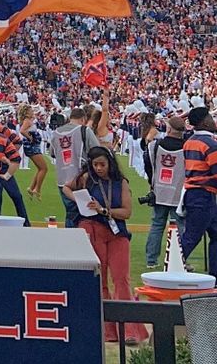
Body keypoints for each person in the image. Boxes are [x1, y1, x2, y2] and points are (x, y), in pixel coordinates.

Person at [62, 147, 147, 345]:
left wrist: (103, 210)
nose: (99, 168)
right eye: (95, 165)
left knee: (121, 279)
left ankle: (128, 330)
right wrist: (78, 200)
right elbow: (66, 187)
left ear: (110, 163)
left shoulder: (121, 183)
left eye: (102, 164)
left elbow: (127, 212)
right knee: (99, 281)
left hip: (116, 231)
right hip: (91, 228)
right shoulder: (85, 178)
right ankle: (107, 330)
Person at [144, 115, 186, 269]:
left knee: (157, 225)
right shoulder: (186, 147)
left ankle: (151, 260)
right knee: (180, 227)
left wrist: (152, 183)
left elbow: (148, 165)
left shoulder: (155, 145)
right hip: (178, 192)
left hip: (160, 190)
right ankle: (182, 259)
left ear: (168, 129)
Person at [181, 106, 217, 277]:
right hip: (204, 194)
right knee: (191, 237)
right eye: (210, 117)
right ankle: (173, 266)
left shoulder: (190, 141)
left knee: (211, 233)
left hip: (193, 192)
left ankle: (214, 275)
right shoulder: (211, 144)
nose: (213, 120)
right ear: (204, 122)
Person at [51, 107, 99, 227]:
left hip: (62, 179)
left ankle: (70, 239)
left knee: (70, 212)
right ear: (83, 119)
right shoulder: (84, 130)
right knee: (83, 214)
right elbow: (97, 151)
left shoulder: (56, 132)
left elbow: (52, 152)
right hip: (80, 178)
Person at [18, 104, 48, 200]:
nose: (32, 112)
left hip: (33, 147)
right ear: (27, 112)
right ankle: (37, 189)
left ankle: (32, 188)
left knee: (40, 168)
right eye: (31, 110)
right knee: (44, 168)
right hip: (33, 147)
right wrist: (29, 137)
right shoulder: (27, 121)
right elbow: (22, 131)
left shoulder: (29, 121)